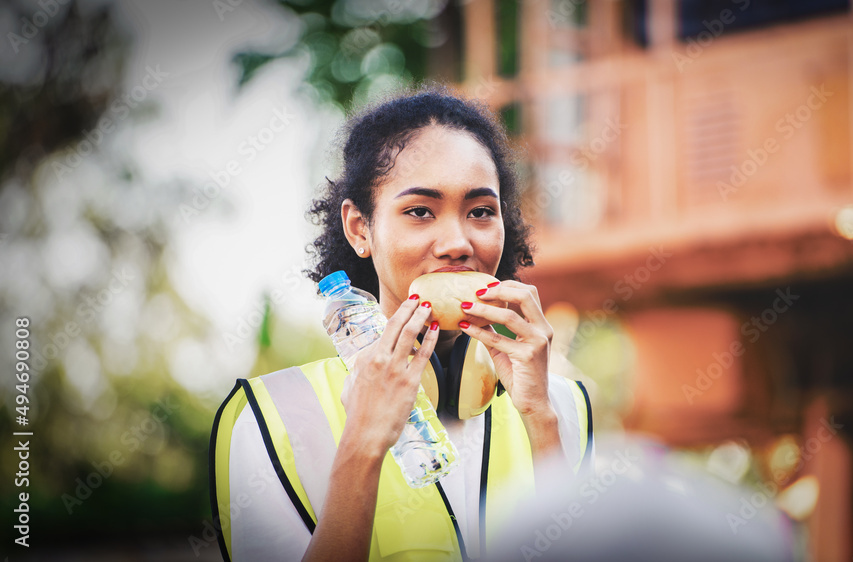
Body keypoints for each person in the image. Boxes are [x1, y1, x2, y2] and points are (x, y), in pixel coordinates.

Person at [210, 87, 594, 562]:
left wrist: (541, 420)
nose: (457, 241)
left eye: (480, 211)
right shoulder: (269, 416)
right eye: (419, 211)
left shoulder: (564, 406)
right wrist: (364, 444)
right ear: (359, 228)